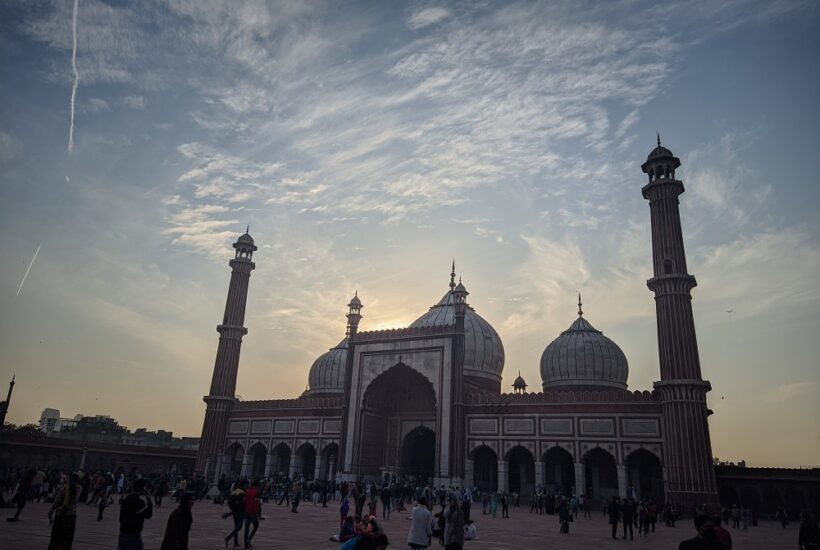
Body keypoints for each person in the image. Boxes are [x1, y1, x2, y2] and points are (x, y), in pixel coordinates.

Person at [118, 479, 154, 550]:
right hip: (134, 536)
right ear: (143, 488)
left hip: (122, 534)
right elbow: (148, 515)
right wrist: (149, 500)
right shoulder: (139, 502)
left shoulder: (127, 499)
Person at [47, 473, 80, 550]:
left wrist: (51, 512)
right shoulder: (78, 489)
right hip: (71, 516)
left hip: (60, 514)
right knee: (68, 537)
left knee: (56, 536)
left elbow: (57, 502)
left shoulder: (64, 488)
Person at [224, 482, 245, 548]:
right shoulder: (242, 493)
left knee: (236, 527)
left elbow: (230, 502)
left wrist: (231, 511)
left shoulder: (234, 492)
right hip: (239, 512)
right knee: (239, 527)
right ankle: (228, 538)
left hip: (234, 511)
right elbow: (242, 503)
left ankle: (235, 542)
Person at [244, 480, 261, 548]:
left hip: (246, 511)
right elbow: (256, 503)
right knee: (256, 526)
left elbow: (244, 500)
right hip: (253, 512)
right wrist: (257, 512)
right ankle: (249, 539)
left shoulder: (247, 490)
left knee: (246, 528)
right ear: (256, 485)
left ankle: (246, 543)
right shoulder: (257, 492)